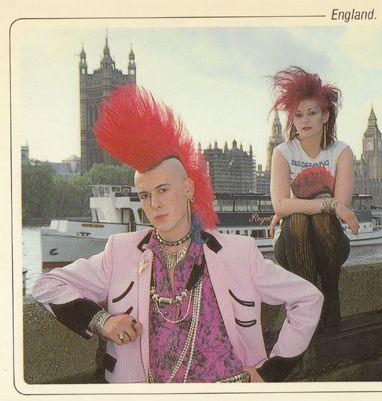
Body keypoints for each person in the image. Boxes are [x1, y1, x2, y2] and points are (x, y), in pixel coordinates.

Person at [33, 84, 323, 383]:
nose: (154, 204)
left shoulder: (239, 253)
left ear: (188, 189)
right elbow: (47, 285)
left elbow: (308, 298)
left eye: (162, 190)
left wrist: (272, 371)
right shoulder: (120, 251)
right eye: (144, 195)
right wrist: (102, 321)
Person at [268, 66, 359, 330]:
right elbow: (281, 205)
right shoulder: (282, 152)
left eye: (312, 112)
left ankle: (330, 294)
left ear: (325, 116)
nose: (304, 120)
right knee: (296, 220)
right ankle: (310, 303)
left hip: (330, 245)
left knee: (317, 221)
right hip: (291, 245)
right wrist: (327, 204)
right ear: (292, 120)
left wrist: (294, 207)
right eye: (298, 114)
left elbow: (341, 203)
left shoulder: (341, 152)